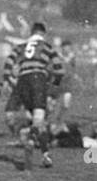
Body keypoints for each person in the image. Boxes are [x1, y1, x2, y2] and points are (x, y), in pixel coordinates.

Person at [12, 22, 63, 168]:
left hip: (22, 82)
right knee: (39, 120)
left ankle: (46, 155)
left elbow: (12, 64)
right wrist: (53, 89)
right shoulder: (46, 46)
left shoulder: (22, 46)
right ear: (42, 34)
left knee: (39, 122)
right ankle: (29, 138)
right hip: (37, 81)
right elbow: (59, 70)